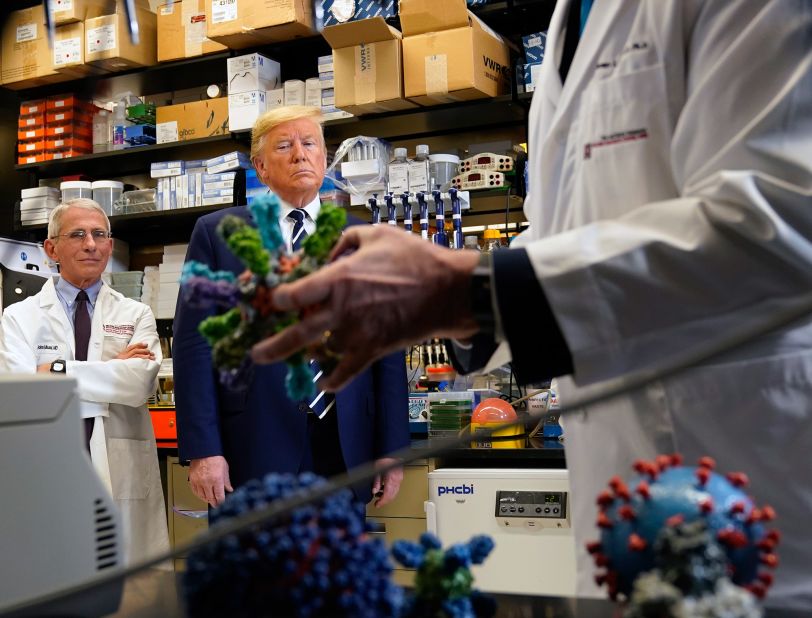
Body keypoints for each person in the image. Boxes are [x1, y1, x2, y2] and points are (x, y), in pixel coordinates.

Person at [250, 1, 812, 610]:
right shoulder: (570, 23)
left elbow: (783, 215)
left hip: (743, 479)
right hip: (616, 490)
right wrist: (461, 304)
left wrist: (474, 289)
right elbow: (557, 233)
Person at [173, 105, 409, 509]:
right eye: (285, 145)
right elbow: (194, 347)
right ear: (261, 167)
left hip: (345, 443)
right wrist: (202, 450)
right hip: (252, 443)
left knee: (337, 570)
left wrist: (392, 449)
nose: (300, 154)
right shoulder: (217, 234)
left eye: (310, 143)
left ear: (323, 157)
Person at [0, 198, 169, 565]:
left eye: (99, 235)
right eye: (77, 235)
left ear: (110, 245)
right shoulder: (18, 318)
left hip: (120, 468)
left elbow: (138, 385)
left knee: (129, 593)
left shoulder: (135, 313)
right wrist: (110, 375)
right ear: (51, 249)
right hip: (50, 466)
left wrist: (56, 372)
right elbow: (24, 395)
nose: (90, 244)